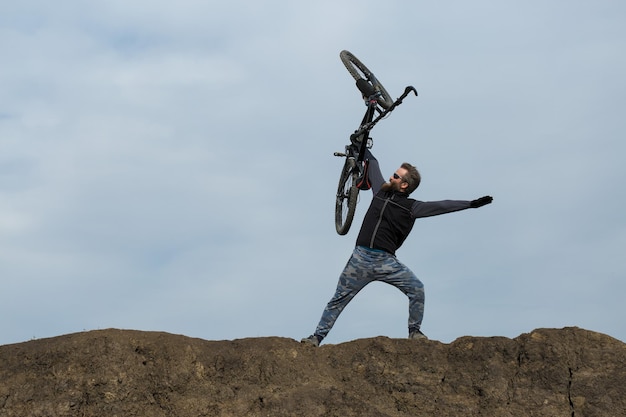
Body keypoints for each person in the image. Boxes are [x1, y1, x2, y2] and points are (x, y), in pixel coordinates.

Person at [301, 150, 492, 346]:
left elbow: (441, 206)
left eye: (396, 176)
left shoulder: (412, 208)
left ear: (404, 185)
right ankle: (316, 338)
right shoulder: (380, 191)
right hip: (360, 259)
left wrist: (470, 204)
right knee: (337, 300)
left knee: (417, 288)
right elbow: (372, 163)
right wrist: (362, 146)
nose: (391, 176)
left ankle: (414, 332)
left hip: (386, 262)